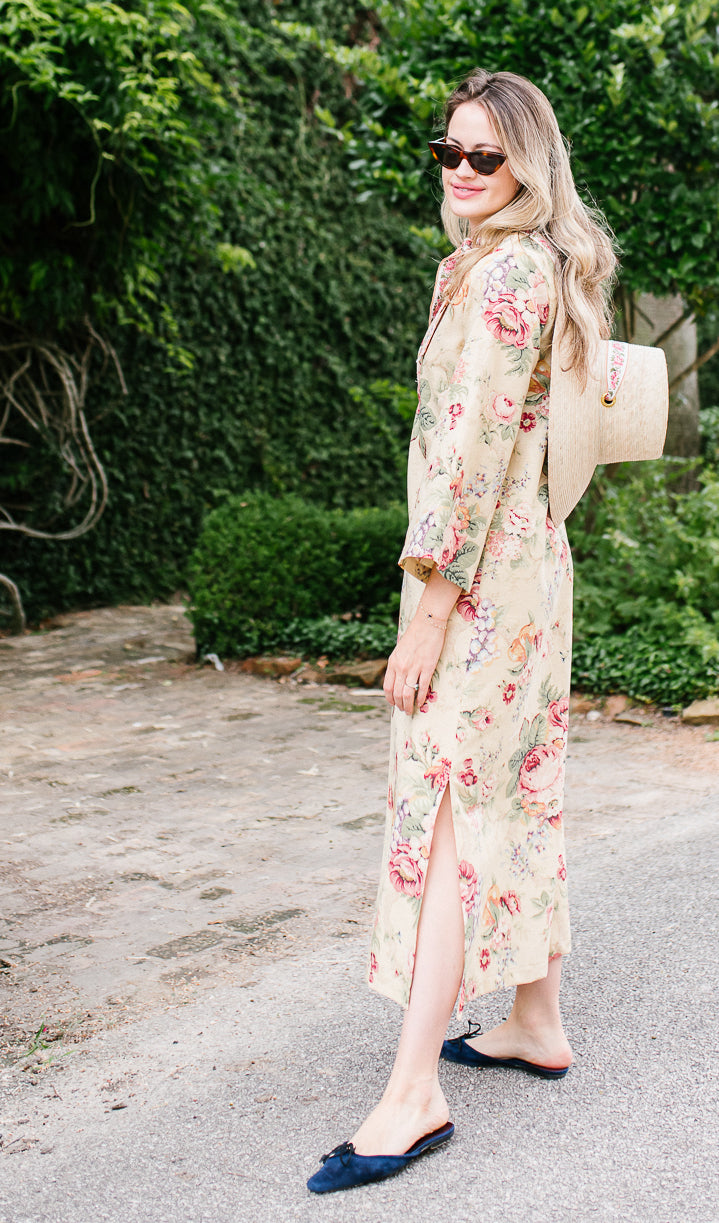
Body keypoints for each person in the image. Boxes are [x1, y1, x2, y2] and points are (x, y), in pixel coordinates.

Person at [307, 68, 617, 1194]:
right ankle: (533, 1016)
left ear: (528, 164)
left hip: (479, 581)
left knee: (444, 808)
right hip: (521, 569)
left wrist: (428, 608)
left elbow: (478, 453)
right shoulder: (495, 266)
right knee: (517, 784)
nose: (462, 172)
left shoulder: (504, 277)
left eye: (485, 157)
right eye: (449, 153)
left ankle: (410, 1095)